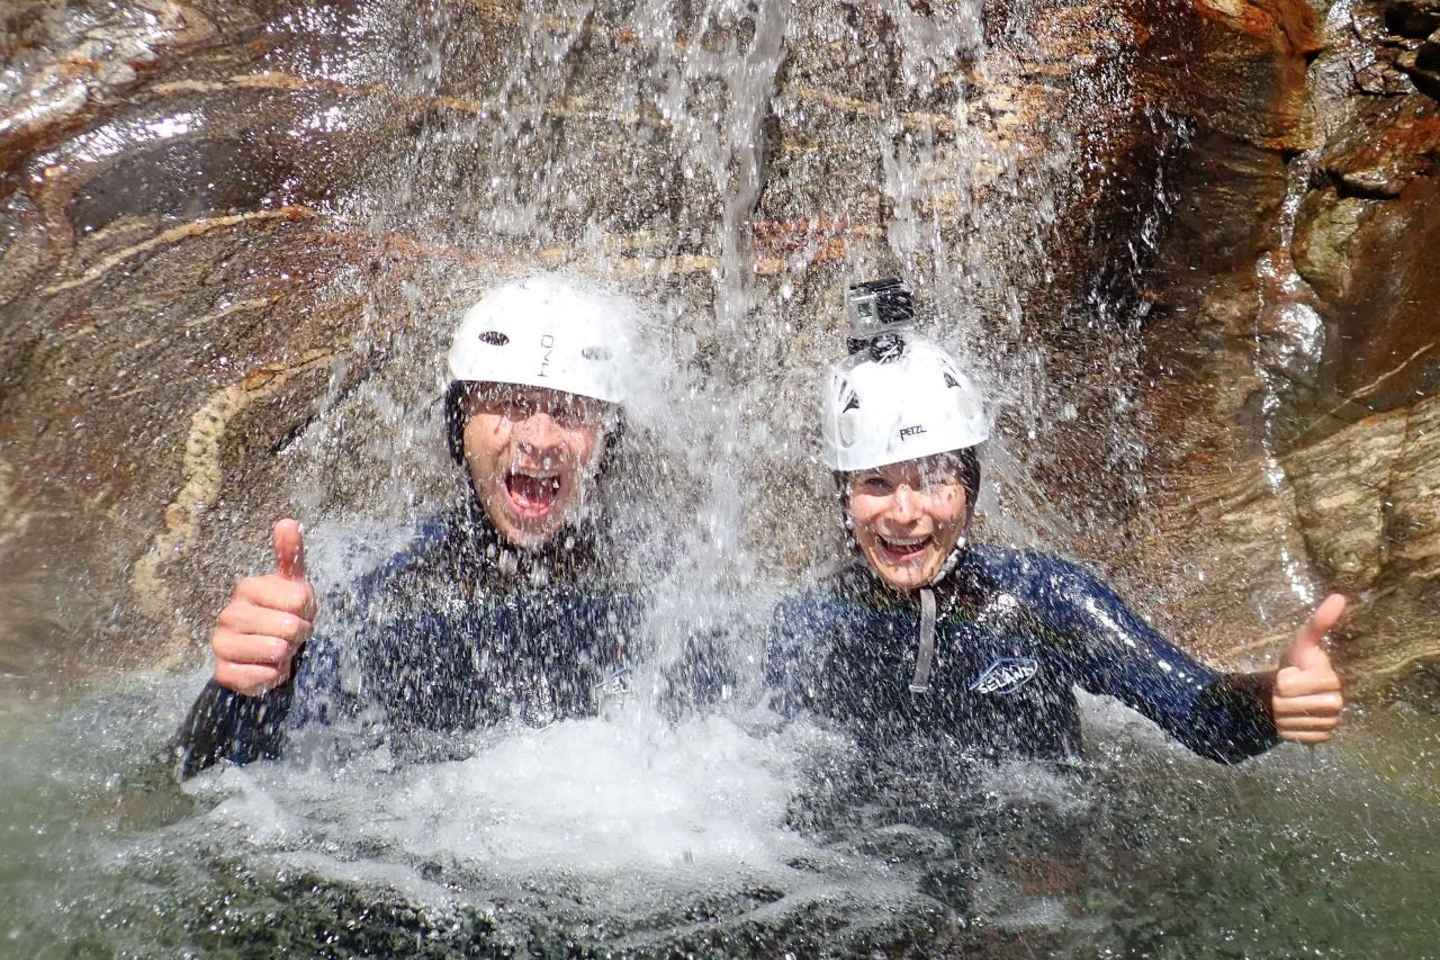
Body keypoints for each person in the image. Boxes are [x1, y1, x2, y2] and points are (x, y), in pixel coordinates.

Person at [765, 278, 1345, 764]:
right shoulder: (812, 624)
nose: (906, 512)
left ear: (970, 490)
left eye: (934, 481)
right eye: (876, 484)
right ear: (845, 499)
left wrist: (1272, 699)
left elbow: (1205, 718)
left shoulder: (1045, 600)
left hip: (1030, 885)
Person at [174, 274, 660, 777]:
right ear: (459, 425)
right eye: (510, 403)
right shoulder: (382, 592)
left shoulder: (664, 601)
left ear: (609, 439)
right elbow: (199, 785)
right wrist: (243, 689)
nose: (539, 438)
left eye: (568, 411)